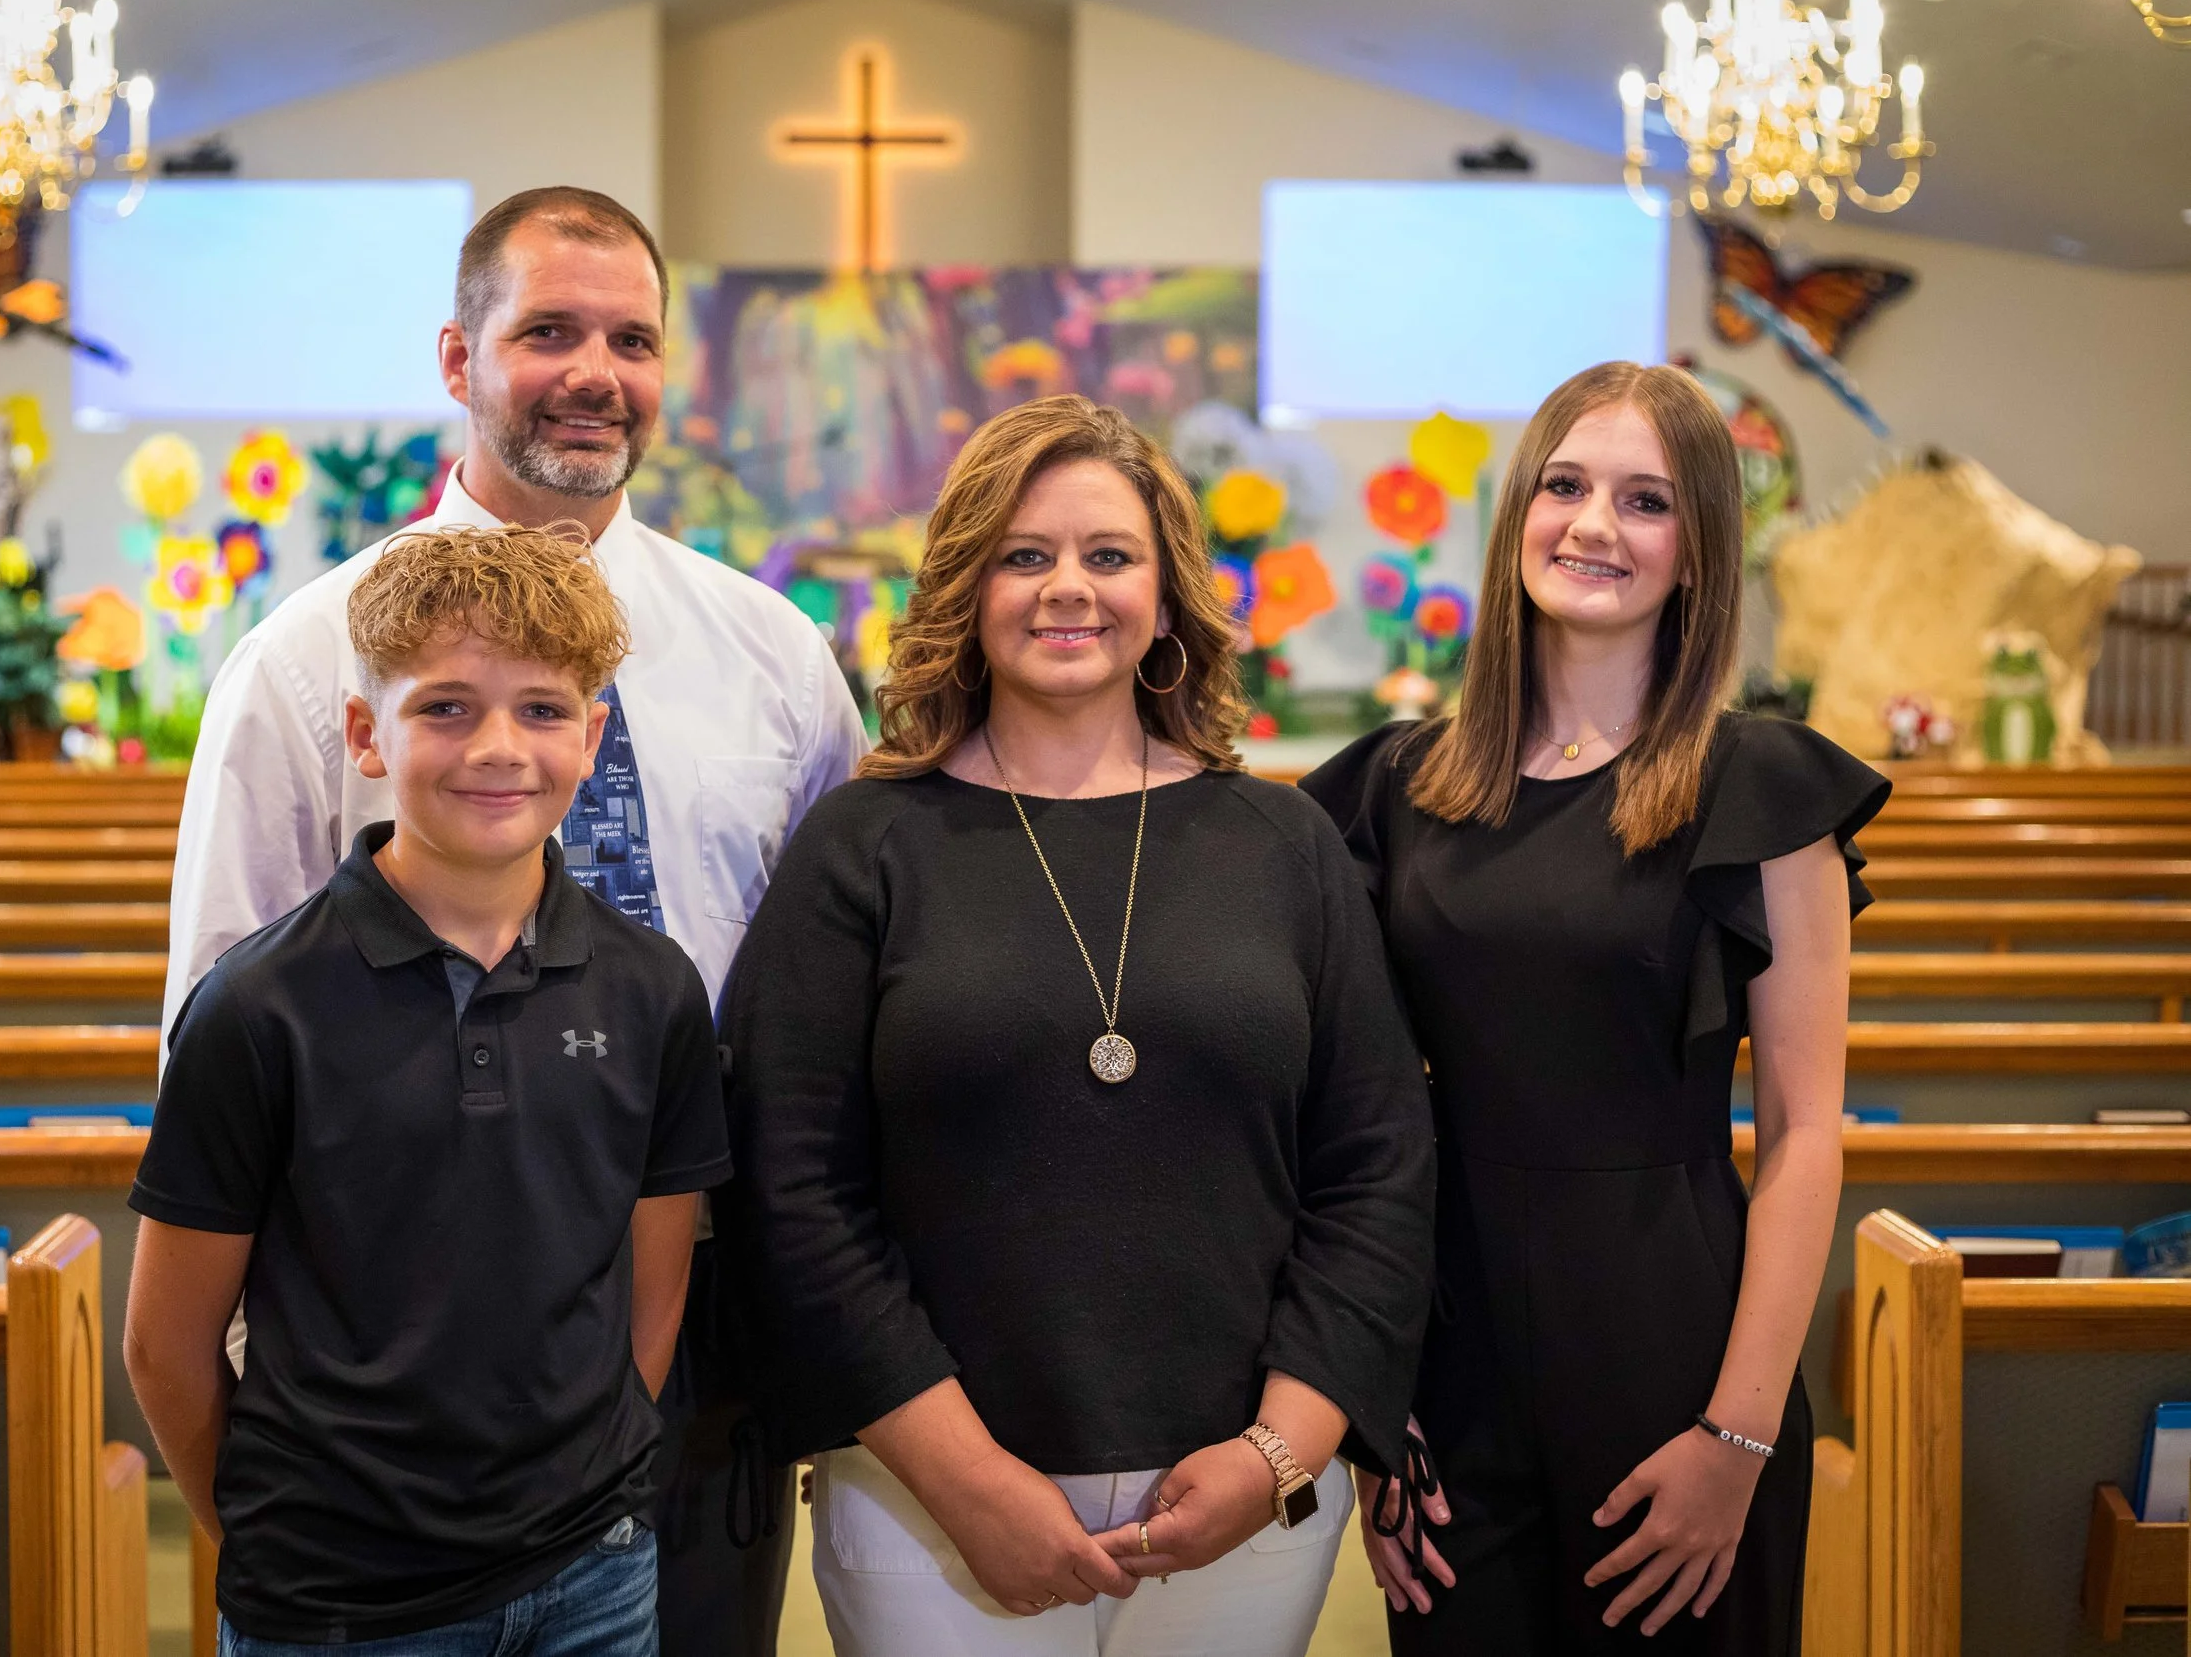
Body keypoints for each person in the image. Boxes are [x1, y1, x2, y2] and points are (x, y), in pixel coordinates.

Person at [161, 186, 865, 1655]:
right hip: (396, 1338)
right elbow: (218, 1016)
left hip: (701, 1289)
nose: (594, 371)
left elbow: (839, 989)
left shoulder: (774, 655)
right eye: (546, 330)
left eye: (631, 338)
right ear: (457, 355)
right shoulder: (307, 663)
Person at [719, 394, 1437, 1657]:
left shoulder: (1281, 843)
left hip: (1238, 1497)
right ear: (966, 586)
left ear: (1166, 599)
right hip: (927, 1503)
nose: (1068, 588)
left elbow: (1377, 1162)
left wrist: (1280, 1448)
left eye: (1109, 556)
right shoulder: (865, 847)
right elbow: (794, 1187)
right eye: (1023, 554)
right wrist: (965, 1479)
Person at [1301, 360, 1884, 1652]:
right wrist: (1367, 1399)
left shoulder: (1761, 788)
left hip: (1670, 1339)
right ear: (1517, 515)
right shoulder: (1396, 788)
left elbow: (1803, 1130)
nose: (1593, 525)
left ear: (1700, 553)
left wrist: (1739, 1432)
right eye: (1564, 485)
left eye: (1646, 501)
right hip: (1448, 1353)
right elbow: (1351, 1113)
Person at [124, 524, 731, 1654]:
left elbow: (647, 1300)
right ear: (365, 732)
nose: (498, 747)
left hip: (592, 1577)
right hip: (337, 1591)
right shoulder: (260, 1006)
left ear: (591, 736)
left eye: (543, 710)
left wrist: (576, 1491)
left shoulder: (654, 990)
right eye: (445, 706)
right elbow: (166, 1341)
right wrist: (263, 1532)